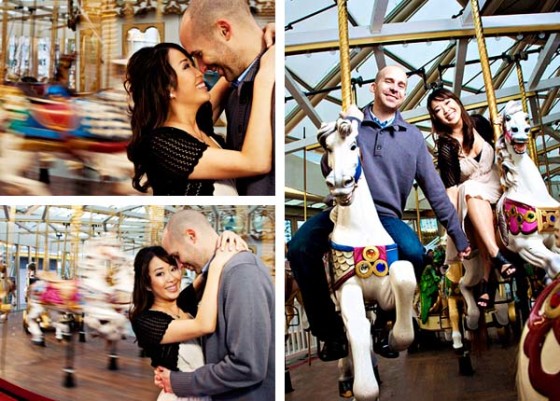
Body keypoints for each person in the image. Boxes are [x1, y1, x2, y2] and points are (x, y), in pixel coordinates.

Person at [287, 65, 471, 362]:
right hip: (342, 210)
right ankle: (329, 331)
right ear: (374, 86)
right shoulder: (351, 123)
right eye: (389, 81)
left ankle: (385, 322)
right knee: (299, 247)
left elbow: (436, 190)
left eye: (401, 85)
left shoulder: (412, 137)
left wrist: (458, 235)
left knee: (413, 252)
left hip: (386, 216)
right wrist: (343, 143)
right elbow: (328, 169)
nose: (395, 88)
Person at [124, 41, 274, 196]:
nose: (199, 73)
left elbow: (233, 72)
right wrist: (265, 78)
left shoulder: (198, 124)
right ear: (166, 88)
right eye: (186, 66)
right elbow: (255, 163)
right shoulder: (162, 145)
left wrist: (263, 42)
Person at [153, 210, 274, 400]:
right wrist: (217, 259)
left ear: (191, 236)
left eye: (176, 256)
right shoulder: (218, 273)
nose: (180, 266)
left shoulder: (241, 273)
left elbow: (247, 366)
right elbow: (184, 301)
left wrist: (180, 382)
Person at [427, 87, 516, 309]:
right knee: (469, 189)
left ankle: (487, 279)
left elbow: (504, 149)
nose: (446, 111)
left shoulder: (480, 124)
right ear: (436, 118)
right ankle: (494, 258)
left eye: (448, 103)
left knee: (472, 189)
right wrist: (453, 228)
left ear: (457, 101)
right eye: (438, 110)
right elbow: (452, 188)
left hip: (499, 186)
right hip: (472, 198)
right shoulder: (446, 145)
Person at [179, 0, 275, 195]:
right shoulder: (233, 87)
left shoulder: (275, 78)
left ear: (224, 30)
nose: (201, 69)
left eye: (198, 54)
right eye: (189, 64)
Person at [130, 233, 241, 401]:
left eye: (173, 269)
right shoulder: (146, 321)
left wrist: (226, 238)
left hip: (207, 389)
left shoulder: (183, 301)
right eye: (160, 274)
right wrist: (219, 264)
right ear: (147, 284)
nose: (172, 278)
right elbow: (204, 325)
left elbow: (205, 273)